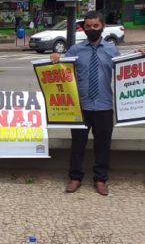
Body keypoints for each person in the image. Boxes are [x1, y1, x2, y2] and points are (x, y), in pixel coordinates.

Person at [50, 11, 122, 196]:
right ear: (84, 28)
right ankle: (75, 177)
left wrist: (141, 55)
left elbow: (127, 70)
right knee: (78, 144)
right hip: (80, 106)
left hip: (104, 105)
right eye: (88, 26)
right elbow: (62, 70)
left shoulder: (112, 50)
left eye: (95, 26)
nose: (92, 29)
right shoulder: (75, 50)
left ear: (102, 27)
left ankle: (100, 179)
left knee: (103, 145)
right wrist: (56, 59)